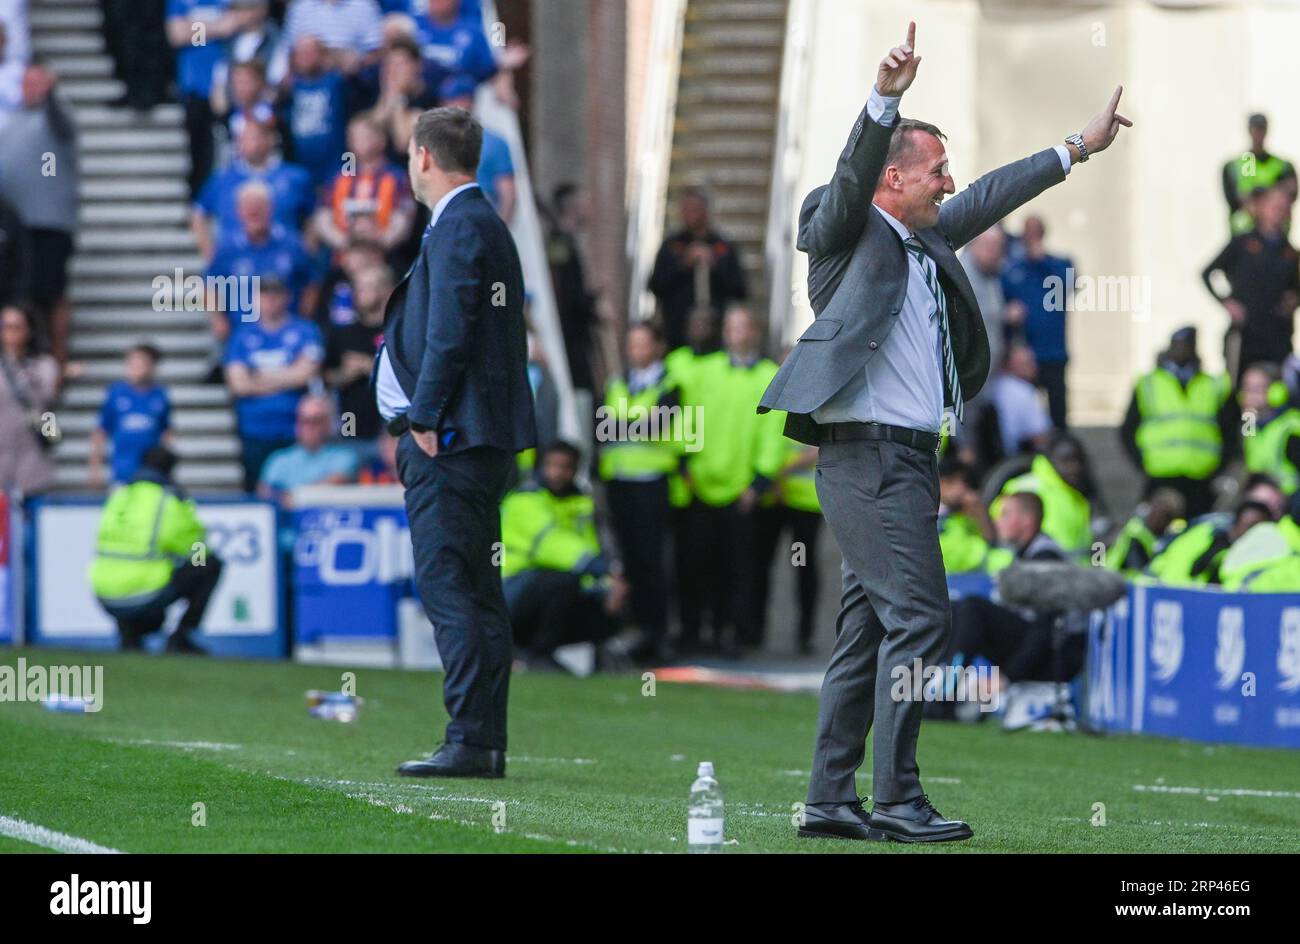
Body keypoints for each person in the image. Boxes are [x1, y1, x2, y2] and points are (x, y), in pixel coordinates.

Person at [757, 23, 1130, 843]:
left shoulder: (928, 240)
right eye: (935, 171)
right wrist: (883, 97)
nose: (948, 183)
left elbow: (992, 194)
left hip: (911, 465)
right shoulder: (842, 228)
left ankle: (828, 799)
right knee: (925, 622)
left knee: (869, 630)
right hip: (867, 461)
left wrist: (1077, 147)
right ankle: (897, 796)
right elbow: (850, 181)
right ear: (893, 178)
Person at [379, 107, 535, 779]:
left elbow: (450, 332)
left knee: (452, 586)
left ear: (422, 158)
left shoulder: (460, 227)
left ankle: (470, 739)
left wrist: (423, 416)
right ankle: (484, 740)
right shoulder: (477, 223)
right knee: (475, 587)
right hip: (472, 434)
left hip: (452, 438)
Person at [679, 305, 783, 654]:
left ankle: (733, 635)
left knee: (739, 569)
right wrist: (686, 464)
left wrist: (759, 482)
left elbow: (773, 434)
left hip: (742, 490)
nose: (734, 333)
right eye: (730, 327)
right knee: (698, 565)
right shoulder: (706, 372)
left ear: (754, 332)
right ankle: (696, 632)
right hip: (703, 485)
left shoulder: (769, 375)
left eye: (741, 327)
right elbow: (688, 418)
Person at [501, 441, 629, 668]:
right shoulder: (524, 499)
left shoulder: (581, 503)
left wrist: (610, 587)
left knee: (613, 609)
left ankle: (537, 654)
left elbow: (591, 548)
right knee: (561, 581)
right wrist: (607, 570)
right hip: (510, 591)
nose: (558, 473)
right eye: (552, 465)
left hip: (551, 588)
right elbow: (552, 545)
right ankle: (531, 654)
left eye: (566, 466)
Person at [88, 447, 223, 654]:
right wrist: (186, 563)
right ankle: (181, 637)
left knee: (127, 570)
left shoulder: (119, 496)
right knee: (210, 565)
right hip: (144, 593)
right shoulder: (167, 500)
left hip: (103, 593)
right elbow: (196, 547)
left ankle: (129, 638)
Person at [597, 322, 678, 661]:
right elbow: (601, 427)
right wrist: (632, 424)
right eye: (632, 345)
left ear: (658, 346)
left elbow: (658, 424)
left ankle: (655, 634)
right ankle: (630, 632)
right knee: (626, 561)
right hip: (619, 483)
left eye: (643, 344)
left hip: (651, 482)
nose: (636, 352)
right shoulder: (617, 383)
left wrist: (621, 424)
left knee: (650, 561)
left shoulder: (670, 383)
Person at [946, 491, 1077, 690]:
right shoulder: (1024, 556)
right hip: (1032, 651)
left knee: (972, 608)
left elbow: (1046, 627)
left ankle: (947, 689)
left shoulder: (1046, 560)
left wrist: (1008, 677)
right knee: (955, 609)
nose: (997, 521)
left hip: (1052, 660)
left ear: (1027, 521)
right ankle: (940, 683)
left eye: (1005, 514)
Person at [0, 61, 78, 363]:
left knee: (52, 291)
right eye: (27, 83)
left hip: (49, 221)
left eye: (38, 83)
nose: (31, 89)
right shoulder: (14, 121)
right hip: (16, 223)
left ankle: (56, 360)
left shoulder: (57, 116)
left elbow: (64, 129)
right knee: (21, 292)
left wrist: (53, 95)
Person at [1118, 326, 1236, 518]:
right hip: (1160, 474)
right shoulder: (1148, 383)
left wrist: (1220, 467)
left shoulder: (1214, 385)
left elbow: (1230, 431)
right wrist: (1142, 463)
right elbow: (1128, 429)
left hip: (1200, 476)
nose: (1182, 350)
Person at [223, 275, 325, 490]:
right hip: (254, 429)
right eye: (263, 295)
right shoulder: (243, 335)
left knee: (295, 488)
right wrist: (287, 375)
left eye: (275, 295)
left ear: (286, 297)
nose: (269, 301)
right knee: (258, 490)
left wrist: (259, 376)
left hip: (295, 427)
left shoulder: (305, 330)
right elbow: (238, 385)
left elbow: (306, 374)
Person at [1202, 185, 1299, 385]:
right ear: (1261, 208)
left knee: (1281, 388)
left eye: (1285, 208)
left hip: (1278, 335)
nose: (1280, 213)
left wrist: (1294, 300)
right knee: (1239, 389)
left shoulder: (1290, 252)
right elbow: (1208, 272)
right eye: (1275, 207)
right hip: (1246, 334)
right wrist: (1227, 302)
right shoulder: (1243, 243)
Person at [192, 118, 316, 261]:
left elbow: (313, 216)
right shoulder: (223, 178)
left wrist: (306, 253)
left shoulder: (296, 177)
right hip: (234, 266)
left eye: (253, 137)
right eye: (242, 138)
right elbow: (198, 214)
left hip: (283, 264)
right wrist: (211, 255)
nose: (246, 143)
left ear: (270, 139)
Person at [648, 186, 748, 351]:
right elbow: (656, 285)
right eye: (685, 209)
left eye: (695, 209)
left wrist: (714, 264)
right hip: (676, 335)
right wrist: (683, 264)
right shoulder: (671, 245)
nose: (689, 214)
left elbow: (739, 289)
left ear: (706, 211)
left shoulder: (722, 246)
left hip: (714, 339)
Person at [1000, 215, 1073, 429]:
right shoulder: (1012, 269)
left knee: (1058, 409)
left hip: (1053, 352)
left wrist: (1043, 260)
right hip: (1024, 355)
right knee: (1025, 407)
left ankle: (1061, 447)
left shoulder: (1059, 264)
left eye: (1036, 232)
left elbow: (1070, 284)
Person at [994, 433, 1094, 557]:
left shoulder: (1074, 492)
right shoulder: (1026, 486)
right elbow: (1000, 531)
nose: (1074, 467)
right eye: (1066, 460)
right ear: (1050, 459)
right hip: (1028, 566)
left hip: (1068, 571)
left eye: (1079, 460)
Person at [323, 262, 390, 447]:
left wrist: (369, 367)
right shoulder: (342, 332)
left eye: (368, 286)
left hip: (389, 429)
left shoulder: (397, 332)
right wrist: (345, 374)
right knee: (349, 467)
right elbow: (326, 376)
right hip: (350, 422)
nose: (361, 292)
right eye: (358, 286)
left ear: (386, 289)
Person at [89, 344, 172, 489]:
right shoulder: (116, 394)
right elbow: (101, 432)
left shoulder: (160, 395)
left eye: (141, 363)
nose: (135, 368)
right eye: (132, 363)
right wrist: (95, 468)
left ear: (152, 367)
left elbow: (166, 432)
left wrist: (166, 467)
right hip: (122, 473)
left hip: (152, 474)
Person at [0, 304, 59, 496]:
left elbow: (46, 400)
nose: (10, 332)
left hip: (32, 462)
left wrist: (21, 369)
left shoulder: (44, 365)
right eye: (5, 326)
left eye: (16, 326)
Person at [257, 394, 359, 503]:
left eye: (316, 421)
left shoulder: (345, 456)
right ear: (297, 424)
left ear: (329, 424)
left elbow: (336, 482)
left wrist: (292, 498)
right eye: (304, 421)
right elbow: (264, 492)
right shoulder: (278, 459)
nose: (309, 427)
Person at [547, 183, 598, 395]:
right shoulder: (560, 243)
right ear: (572, 207)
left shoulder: (569, 242)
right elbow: (566, 293)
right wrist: (591, 301)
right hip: (569, 335)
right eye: (584, 202)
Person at [1222, 113, 1296, 236]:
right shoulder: (1245, 162)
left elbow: (1289, 194)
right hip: (1244, 233)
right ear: (1249, 131)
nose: (1258, 134)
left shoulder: (1281, 165)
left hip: (1275, 234)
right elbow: (1243, 194)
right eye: (1256, 129)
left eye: (1261, 129)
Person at [1239, 362, 1300, 495]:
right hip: (1261, 501)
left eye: (1257, 389)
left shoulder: (1292, 425)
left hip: (1290, 501)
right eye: (1246, 388)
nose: (1249, 395)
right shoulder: (1249, 422)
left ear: (1277, 391)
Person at [1105, 487, 1185, 575]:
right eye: (1156, 511)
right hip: (1117, 579)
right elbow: (1136, 569)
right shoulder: (1136, 533)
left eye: (1165, 516)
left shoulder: (1166, 535)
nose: (1158, 518)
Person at [937, 460, 994, 574]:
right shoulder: (928, 513)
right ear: (944, 482)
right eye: (963, 482)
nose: (966, 490)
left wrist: (980, 514)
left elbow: (989, 541)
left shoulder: (966, 514)